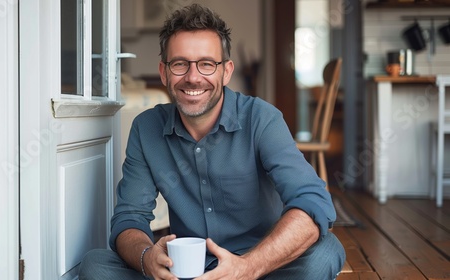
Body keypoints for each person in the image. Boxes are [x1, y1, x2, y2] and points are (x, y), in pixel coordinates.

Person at [79, 3, 345, 280]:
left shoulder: (262, 118)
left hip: (261, 266)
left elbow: (312, 200)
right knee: (96, 265)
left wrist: (248, 267)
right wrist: (147, 258)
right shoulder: (146, 129)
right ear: (164, 72)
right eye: (180, 64)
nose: (193, 77)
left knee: (324, 253)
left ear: (226, 71)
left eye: (207, 64)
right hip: (185, 270)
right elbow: (129, 218)